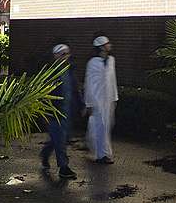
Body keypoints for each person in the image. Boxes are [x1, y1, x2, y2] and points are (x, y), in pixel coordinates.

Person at [40, 43, 81, 179]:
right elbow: (44, 93)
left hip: (68, 110)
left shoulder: (70, 71)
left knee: (59, 138)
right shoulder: (50, 72)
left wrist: (81, 104)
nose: (65, 57)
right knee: (60, 139)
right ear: (55, 56)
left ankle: (45, 153)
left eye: (67, 54)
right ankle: (63, 167)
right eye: (62, 54)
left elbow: (75, 90)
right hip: (55, 112)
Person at [84, 34, 118, 164]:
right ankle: (100, 155)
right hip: (97, 100)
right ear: (102, 47)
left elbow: (113, 80)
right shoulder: (92, 63)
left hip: (108, 100)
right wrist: (89, 103)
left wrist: (114, 97)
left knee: (107, 126)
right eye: (107, 44)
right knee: (99, 126)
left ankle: (105, 152)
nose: (110, 45)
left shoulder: (111, 60)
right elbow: (89, 83)